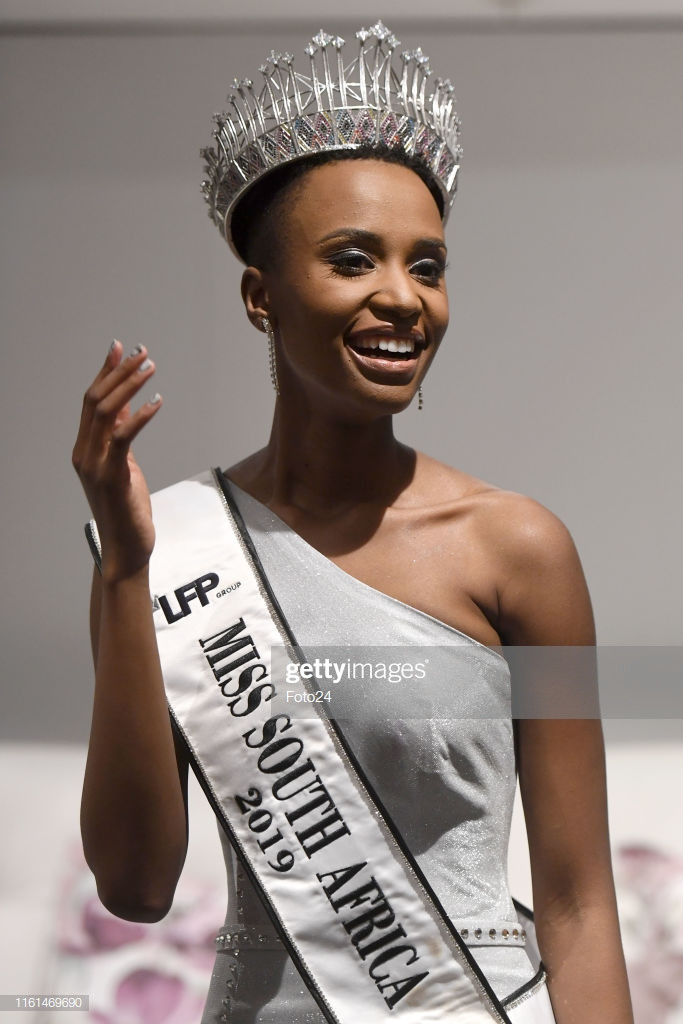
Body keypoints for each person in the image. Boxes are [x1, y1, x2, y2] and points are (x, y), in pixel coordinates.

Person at [72, 23, 633, 1024]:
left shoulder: (523, 553)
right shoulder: (173, 547)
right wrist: (123, 570)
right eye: (351, 259)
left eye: (428, 266)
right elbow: (136, 884)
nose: (401, 297)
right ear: (261, 296)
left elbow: (579, 904)